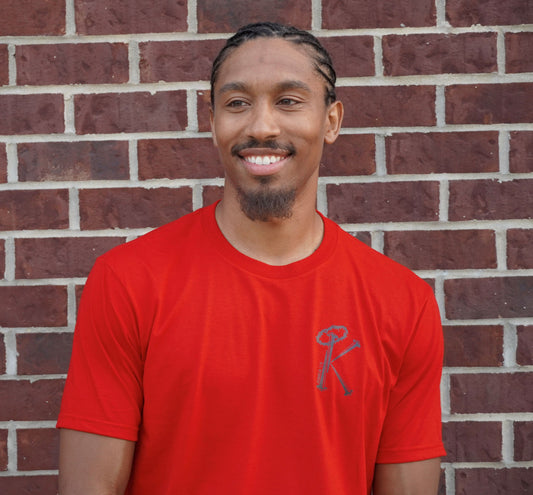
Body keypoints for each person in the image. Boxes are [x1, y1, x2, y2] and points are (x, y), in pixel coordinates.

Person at [57, 22, 445, 495]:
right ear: (213, 121)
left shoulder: (402, 302)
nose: (261, 126)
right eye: (237, 103)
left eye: (289, 101)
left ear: (331, 121)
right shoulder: (129, 281)